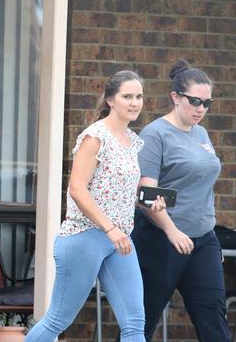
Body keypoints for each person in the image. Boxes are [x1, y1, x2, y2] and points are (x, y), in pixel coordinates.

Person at [26, 71, 166, 342]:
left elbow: (118, 191)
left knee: (136, 323)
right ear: (111, 100)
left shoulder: (132, 141)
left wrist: (149, 202)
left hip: (119, 239)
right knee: (57, 319)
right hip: (84, 236)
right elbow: (77, 189)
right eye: (127, 96)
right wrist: (110, 228)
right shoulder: (95, 137)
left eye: (139, 96)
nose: (134, 102)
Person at [131, 59, 230, 341]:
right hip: (161, 240)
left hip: (202, 240)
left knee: (213, 315)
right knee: (143, 319)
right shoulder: (154, 134)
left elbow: (202, 186)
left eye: (207, 103)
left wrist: (208, 235)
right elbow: (145, 195)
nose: (201, 109)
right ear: (175, 97)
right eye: (195, 101)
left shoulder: (201, 134)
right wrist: (172, 231)